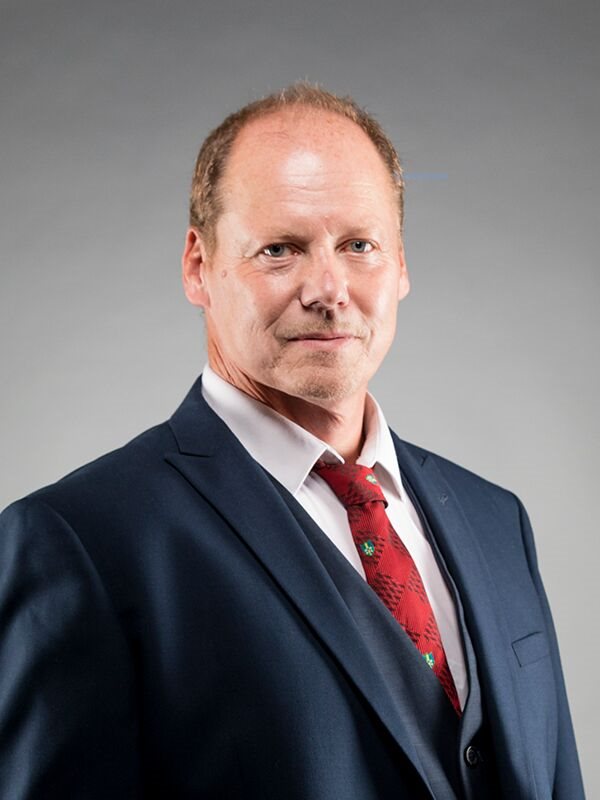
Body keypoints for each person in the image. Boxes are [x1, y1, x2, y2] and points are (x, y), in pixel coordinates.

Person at [0, 83, 585, 799]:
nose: (328, 289)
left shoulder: (496, 520)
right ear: (197, 267)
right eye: (280, 249)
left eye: (359, 246)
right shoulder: (81, 542)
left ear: (401, 265)